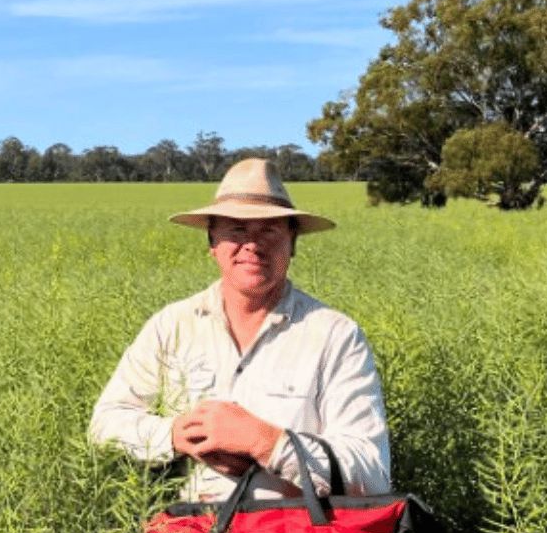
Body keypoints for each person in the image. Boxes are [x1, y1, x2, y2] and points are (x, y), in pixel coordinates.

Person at [89, 158, 390, 502]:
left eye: (269, 229)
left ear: (293, 243)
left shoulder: (335, 336)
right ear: (212, 242)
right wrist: (173, 435)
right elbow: (105, 425)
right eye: (236, 229)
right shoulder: (171, 326)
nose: (252, 244)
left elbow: (373, 474)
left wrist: (267, 443)